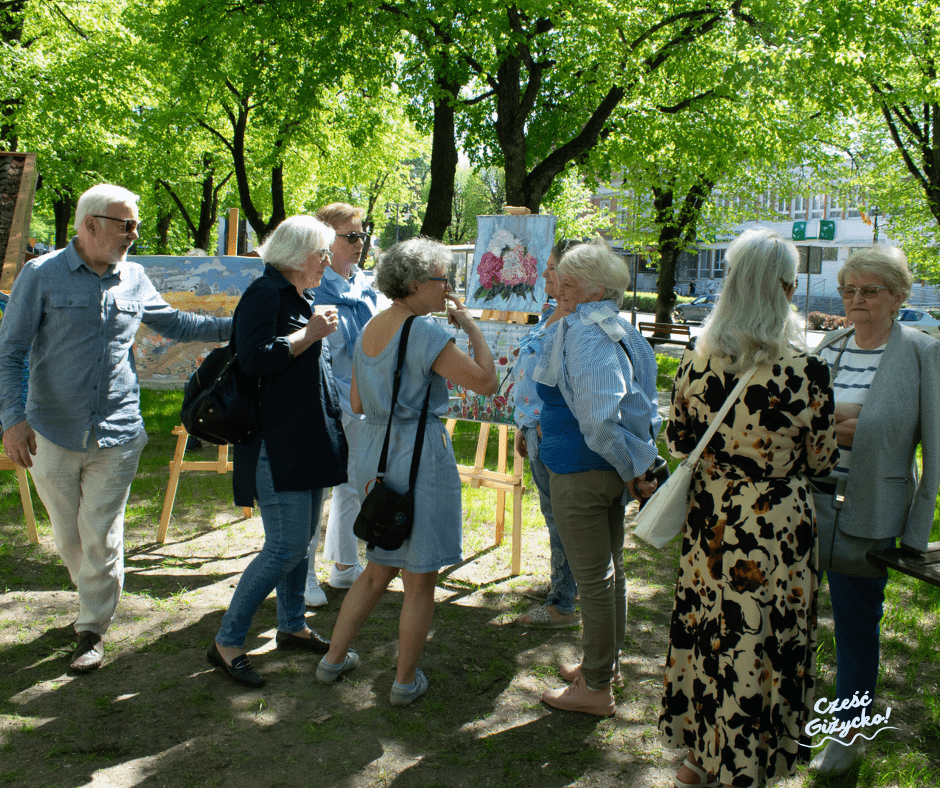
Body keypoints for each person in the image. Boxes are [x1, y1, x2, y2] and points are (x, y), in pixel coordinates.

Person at [0, 184, 232, 673]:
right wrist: (13, 422)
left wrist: (241, 325)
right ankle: (93, 600)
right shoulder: (41, 275)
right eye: (125, 224)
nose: (134, 233)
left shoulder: (135, 277)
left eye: (136, 224)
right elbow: (11, 351)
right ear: (90, 224)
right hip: (50, 431)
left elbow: (178, 325)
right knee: (69, 537)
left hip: (119, 430)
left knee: (101, 533)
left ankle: (91, 630)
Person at [658, 227, 839, 788]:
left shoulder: (699, 356)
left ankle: (699, 754)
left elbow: (678, 438)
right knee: (762, 638)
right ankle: (748, 760)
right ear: (784, 290)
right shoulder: (806, 370)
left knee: (711, 627)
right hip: (777, 526)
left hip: (711, 518)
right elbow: (821, 459)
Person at [317, 237, 497, 706]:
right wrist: (472, 327)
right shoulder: (424, 332)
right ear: (416, 282)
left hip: (374, 451)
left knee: (377, 569)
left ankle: (332, 660)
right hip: (419, 453)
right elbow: (485, 382)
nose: (449, 289)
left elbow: (356, 402)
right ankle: (403, 683)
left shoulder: (372, 326)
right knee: (419, 580)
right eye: (444, 280)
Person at [807, 246, 940, 777]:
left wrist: (916, 525)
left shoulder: (921, 353)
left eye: (870, 290)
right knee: (795, 617)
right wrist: (851, 422)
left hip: (874, 506)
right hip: (809, 498)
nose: (856, 299)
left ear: (898, 297)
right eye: (848, 289)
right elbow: (808, 423)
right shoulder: (832, 346)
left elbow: (929, 441)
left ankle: (848, 733)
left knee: (856, 622)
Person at [207, 215, 348, 688]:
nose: (327, 262)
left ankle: (291, 624)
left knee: (302, 543)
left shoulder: (298, 296)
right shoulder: (265, 293)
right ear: (297, 255)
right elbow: (252, 359)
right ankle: (228, 642)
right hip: (276, 442)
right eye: (322, 253)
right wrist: (308, 335)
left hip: (305, 438)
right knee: (285, 545)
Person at [533, 237, 661, 717]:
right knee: (610, 573)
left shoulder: (588, 334)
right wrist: (637, 465)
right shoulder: (619, 329)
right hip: (603, 470)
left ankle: (597, 685)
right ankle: (601, 665)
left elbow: (600, 419)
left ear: (593, 290)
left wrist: (635, 468)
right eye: (559, 279)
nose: (558, 288)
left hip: (583, 471)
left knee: (595, 579)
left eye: (568, 282)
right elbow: (644, 409)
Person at [302, 203, 379, 608]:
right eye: (351, 236)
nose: (360, 242)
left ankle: (345, 566)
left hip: (362, 401)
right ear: (325, 240)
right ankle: (302, 578)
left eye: (362, 235)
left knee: (353, 484)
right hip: (324, 402)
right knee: (313, 490)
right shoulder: (312, 286)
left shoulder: (366, 286)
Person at [511, 239, 579, 628]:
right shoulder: (552, 312)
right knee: (555, 514)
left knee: (562, 518)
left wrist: (537, 423)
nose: (543, 274)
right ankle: (567, 585)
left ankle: (562, 603)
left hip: (556, 433)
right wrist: (525, 423)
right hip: (537, 429)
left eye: (552, 268)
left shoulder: (576, 322)